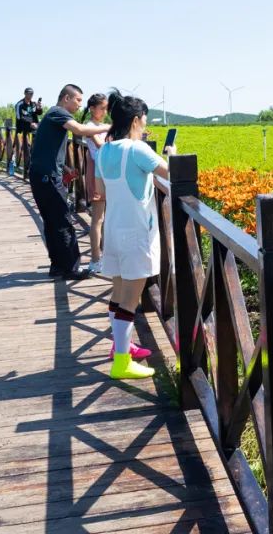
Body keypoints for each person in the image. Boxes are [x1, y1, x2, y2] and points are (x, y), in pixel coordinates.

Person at [94, 88, 175, 379]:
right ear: (137, 120)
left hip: (113, 231)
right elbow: (172, 173)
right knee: (131, 299)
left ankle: (121, 346)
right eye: (144, 120)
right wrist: (170, 155)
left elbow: (100, 192)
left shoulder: (104, 151)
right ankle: (121, 362)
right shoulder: (138, 149)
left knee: (118, 294)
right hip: (137, 233)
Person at [29, 84, 110, 280]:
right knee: (64, 221)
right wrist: (114, 127)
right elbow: (80, 130)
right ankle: (72, 268)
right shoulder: (58, 113)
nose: (79, 105)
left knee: (52, 222)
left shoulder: (52, 115)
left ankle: (58, 266)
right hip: (47, 179)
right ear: (66, 98)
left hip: (42, 176)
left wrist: (64, 168)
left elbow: (47, 149)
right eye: (78, 100)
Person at [82, 93, 108, 274]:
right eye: (102, 108)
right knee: (98, 218)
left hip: (107, 172)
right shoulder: (89, 127)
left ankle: (105, 255)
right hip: (97, 172)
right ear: (92, 108)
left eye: (107, 108)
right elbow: (101, 146)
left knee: (107, 218)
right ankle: (95, 259)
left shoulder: (100, 125)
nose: (105, 112)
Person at [14, 87, 43, 172]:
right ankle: (27, 168)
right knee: (27, 148)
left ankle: (34, 163)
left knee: (35, 148)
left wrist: (39, 108)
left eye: (32, 94)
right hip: (24, 128)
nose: (30, 95)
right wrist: (30, 123)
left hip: (34, 128)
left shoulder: (33, 104)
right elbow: (19, 117)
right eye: (29, 93)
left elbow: (39, 113)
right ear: (25, 94)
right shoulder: (19, 104)